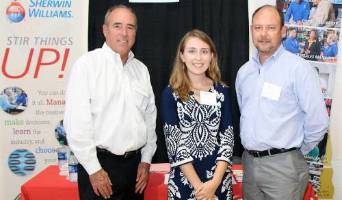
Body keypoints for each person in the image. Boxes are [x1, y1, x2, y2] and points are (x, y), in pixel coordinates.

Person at [235, 5, 329, 200]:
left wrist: (291, 153)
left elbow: (318, 123)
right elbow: (245, 112)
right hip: (249, 165)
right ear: (251, 30)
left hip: (284, 169)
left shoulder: (298, 69)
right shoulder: (244, 72)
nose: (263, 34)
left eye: (270, 27)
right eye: (258, 27)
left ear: (283, 31)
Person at [64, 5, 157, 200]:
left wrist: (146, 160)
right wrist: (94, 169)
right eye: (117, 26)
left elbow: (150, 120)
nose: (124, 33)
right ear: (105, 30)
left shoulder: (141, 70)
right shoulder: (87, 66)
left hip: (135, 169)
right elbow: (77, 124)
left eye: (130, 27)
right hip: (100, 169)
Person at [161, 29, 234, 200]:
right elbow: (175, 145)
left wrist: (214, 183)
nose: (198, 58)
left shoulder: (221, 91)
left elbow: (227, 138)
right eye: (192, 51)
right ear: (182, 56)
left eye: (204, 51)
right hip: (184, 183)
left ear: (212, 56)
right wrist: (201, 189)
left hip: (219, 183)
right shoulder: (170, 94)